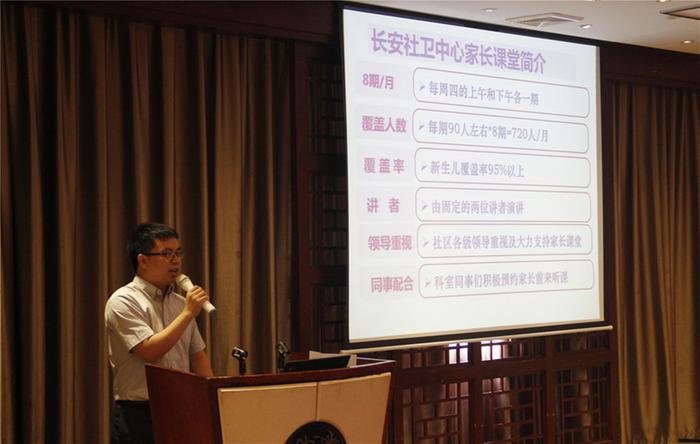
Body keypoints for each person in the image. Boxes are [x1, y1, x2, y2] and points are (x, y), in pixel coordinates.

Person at [105, 222, 214, 443]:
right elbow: (149, 351)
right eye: (166, 253)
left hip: (181, 408)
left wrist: (213, 397)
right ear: (143, 260)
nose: (176, 261)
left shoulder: (180, 303)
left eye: (178, 253)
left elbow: (197, 356)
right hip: (139, 414)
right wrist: (188, 314)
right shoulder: (123, 301)